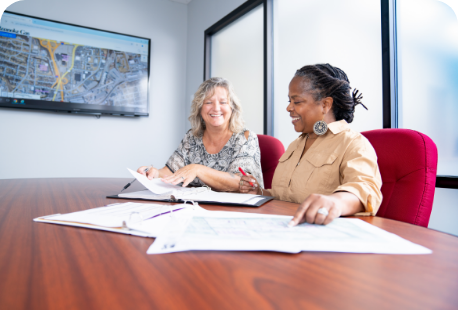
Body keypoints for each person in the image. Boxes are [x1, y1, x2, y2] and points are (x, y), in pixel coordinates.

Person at [239, 63, 382, 226]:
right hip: (283, 227)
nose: (288, 108)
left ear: (325, 105)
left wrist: (335, 202)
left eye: (297, 101)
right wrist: (260, 192)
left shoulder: (353, 143)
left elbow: (365, 190)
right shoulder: (296, 145)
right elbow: (286, 197)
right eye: (289, 101)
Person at [137, 77, 263, 191]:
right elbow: (170, 172)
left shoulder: (246, 138)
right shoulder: (192, 137)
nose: (216, 108)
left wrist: (197, 169)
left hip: (236, 211)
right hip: (195, 208)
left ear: (232, 107)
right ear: (199, 108)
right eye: (208, 102)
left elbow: (240, 183)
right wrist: (154, 173)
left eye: (223, 102)